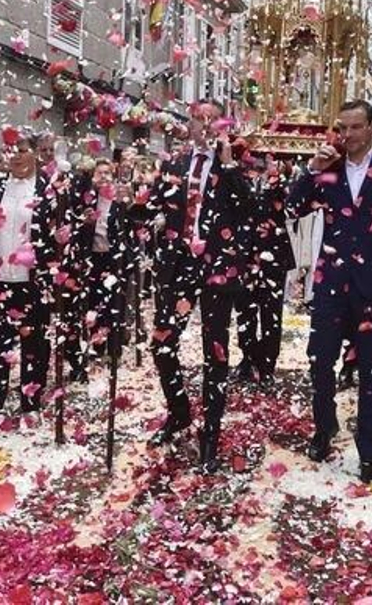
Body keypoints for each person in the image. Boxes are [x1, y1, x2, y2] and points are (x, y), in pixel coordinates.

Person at [288, 99, 372, 484]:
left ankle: (368, 447)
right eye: (342, 128)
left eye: (355, 127)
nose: (347, 135)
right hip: (331, 283)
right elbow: (295, 207)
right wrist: (310, 169)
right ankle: (324, 426)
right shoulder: (327, 170)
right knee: (320, 361)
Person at [138, 100, 251, 473]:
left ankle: (211, 434)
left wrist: (229, 161)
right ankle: (180, 412)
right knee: (162, 345)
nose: (202, 126)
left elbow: (249, 207)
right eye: (196, 119)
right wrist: (134, 210)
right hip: (178, 266)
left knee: (214, 353)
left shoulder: (234, 160)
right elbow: (154, 204)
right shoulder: (175, 163)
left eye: (210, 120)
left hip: (218, 267)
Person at [0, 132, 65, 434]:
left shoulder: (48, 190)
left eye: (22, 150)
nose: (14, 155)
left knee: (34, 346)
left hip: (32, 282)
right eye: (10, 150)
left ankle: (30, 403)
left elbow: (57, 237)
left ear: (35, 155)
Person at [71, 158, 138, 365]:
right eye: (100, 173)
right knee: (94, 303)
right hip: (94, 258)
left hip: (115, 259)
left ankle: (115, 349)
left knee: (115, 303)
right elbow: (79, 229)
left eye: (107, 173)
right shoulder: (88, 200)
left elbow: (133, 228)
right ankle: (97, 347)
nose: (104, 177)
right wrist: (86, 223)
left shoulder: (120, 201)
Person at [235, 155, 294, 383]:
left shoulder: (280, 184)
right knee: (245, 309)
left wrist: (275, 179)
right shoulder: (239, 181)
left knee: (271, 312)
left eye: (263, 165)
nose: (257, 170)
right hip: (245, 255)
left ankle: (268, 362)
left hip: (274, 254)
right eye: (254, 166)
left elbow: (285, 209)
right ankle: (248, 357)